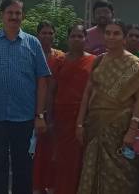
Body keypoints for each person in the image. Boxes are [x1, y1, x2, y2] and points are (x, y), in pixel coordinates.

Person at [75, 19, 139, 194]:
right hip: (95, 125)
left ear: (124, 38)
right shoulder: (98, 61)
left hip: (120, 128)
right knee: (91, 168)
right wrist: (80, 124)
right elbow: (87, 94)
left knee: (120, 175)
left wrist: (132, 130)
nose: (111, 37)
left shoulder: (136, 65)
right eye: (108, 33)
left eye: (116, 33)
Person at [0, 0, 52, 194]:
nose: (14, 17)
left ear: (23, 16)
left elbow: (42, 81)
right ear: (1, 16)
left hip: (24, 117)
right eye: (10, 13)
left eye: (18, 13)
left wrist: (39, 115)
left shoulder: (32, 43)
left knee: (23, 168)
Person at [47, 24, 95, 194]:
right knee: (64, 161)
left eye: (80, 36)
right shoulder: (60, 60)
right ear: (68, 39)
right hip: (62, 118)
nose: (76, 39)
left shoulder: (94, 61)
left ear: (86, 39)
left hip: (85, 118)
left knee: (83, 161)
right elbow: (51, 91)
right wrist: (49, 118)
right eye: (73, 36)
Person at [33, 21, 65, 194]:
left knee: (52, 154)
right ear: (38, 35)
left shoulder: (61, 57)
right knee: (35, 154)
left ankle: (51, 187)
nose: (47, 36)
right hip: (31, 112)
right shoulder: (31, 54)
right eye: (44, 33)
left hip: (54, 113)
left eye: (50, 33)